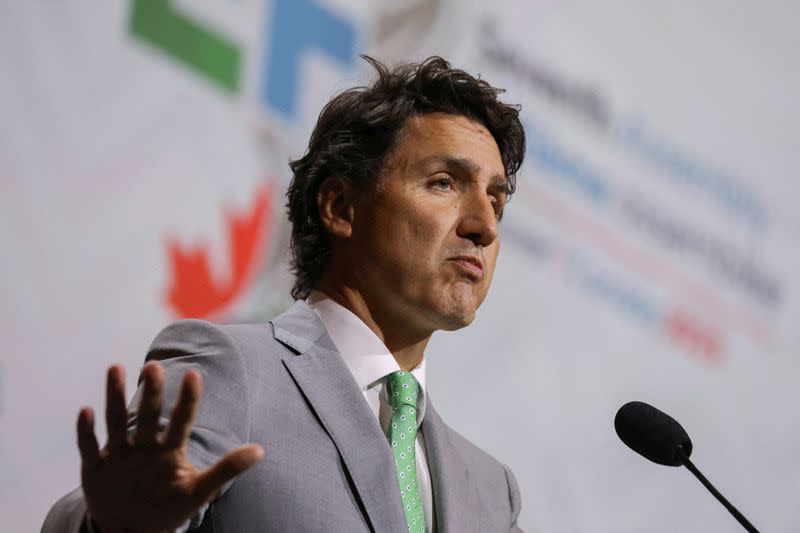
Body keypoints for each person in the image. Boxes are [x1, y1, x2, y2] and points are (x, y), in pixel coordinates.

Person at [43, 55, 526, 533]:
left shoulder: (491, 492)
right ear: (340, 206)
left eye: (495, 202)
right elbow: (107, 512)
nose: (483, 226)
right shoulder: (229, 369)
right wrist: (108, 527)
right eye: (443, 183)